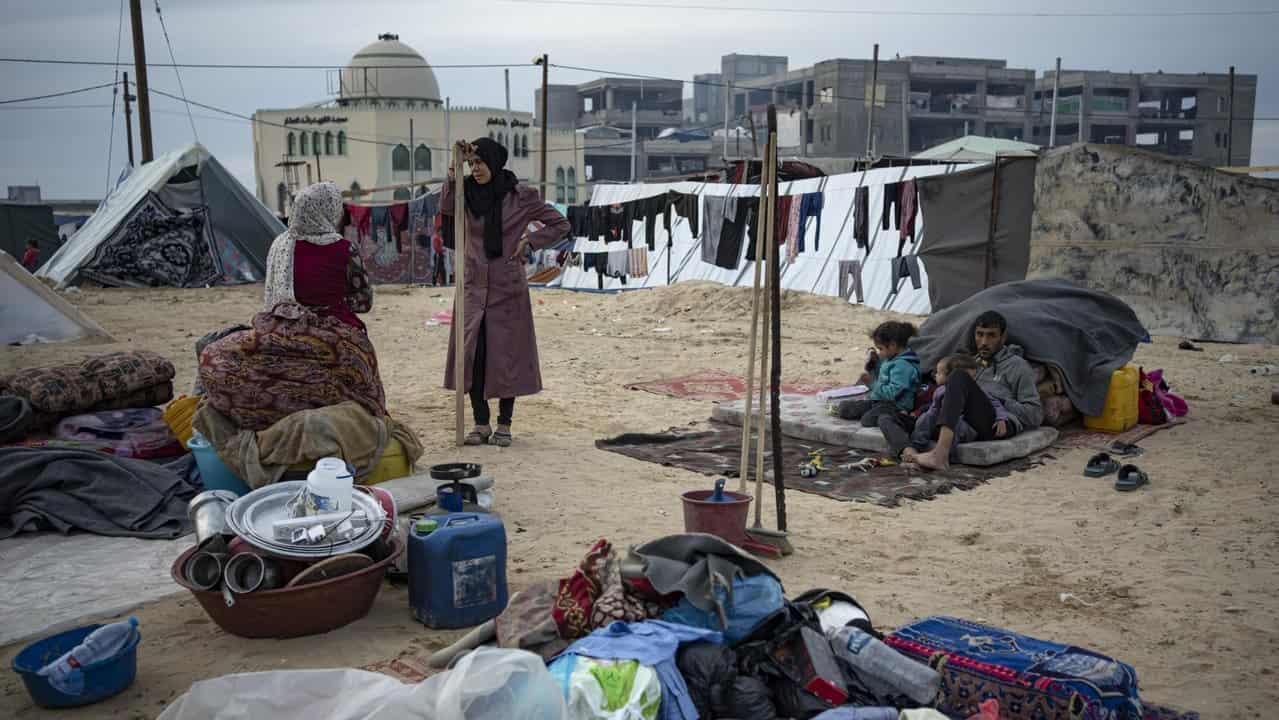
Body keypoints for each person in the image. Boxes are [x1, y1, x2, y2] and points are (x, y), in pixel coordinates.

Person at [198, 181, 387, 431]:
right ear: (328, 210)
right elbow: (363, 302)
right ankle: (368, 418)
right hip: (335, 332)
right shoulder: (344, 248)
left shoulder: (280, 246)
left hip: (278, 326)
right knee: (362, 360)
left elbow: (273, 296)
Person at [441, 137, 570, 447]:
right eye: (472, 164)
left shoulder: (520, 196)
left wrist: (530, 242)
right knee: (474, 355)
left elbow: (560, 224)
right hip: (473, 287)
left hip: (507, 288)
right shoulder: (465, 194)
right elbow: (446, 208)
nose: (476, 169)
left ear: (495, 163)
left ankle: (505, 424)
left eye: (480, 163)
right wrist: (453, 168)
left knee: (506, 357)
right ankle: (480, 423)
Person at [904, 310, 1042, 470]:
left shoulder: (1017, 366)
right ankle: (909, 452)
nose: (984, 341)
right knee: (889, 416)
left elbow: (1035, 414)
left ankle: (940, 455)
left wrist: (1000, 401)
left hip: (998, 423)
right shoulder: (971, 362)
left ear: (1003, 337)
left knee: (958, 376)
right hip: (964, 420)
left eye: (991, 335)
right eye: (979, 334)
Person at [834, 321, 921, 458]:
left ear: (892, 345)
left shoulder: (904, 367)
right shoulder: (892, 359)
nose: (880, 352)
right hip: (879, 402)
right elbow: (884, 376)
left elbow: (892, 393)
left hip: (895, 406)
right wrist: (874, 363)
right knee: (845, 408)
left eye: (881, 349)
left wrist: (872, 383)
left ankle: (905, 448)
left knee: (867, 420)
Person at [910, 354, 1010, 460]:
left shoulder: (978, 391)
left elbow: (995, 403)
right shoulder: (939, 391)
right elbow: (933, 410)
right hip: (943, 424)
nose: (936, 376)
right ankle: (917, 446)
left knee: (956, 423)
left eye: (971, 380)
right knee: (925, 418)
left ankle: (948, 455)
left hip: (966, 427)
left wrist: (1001, 418)